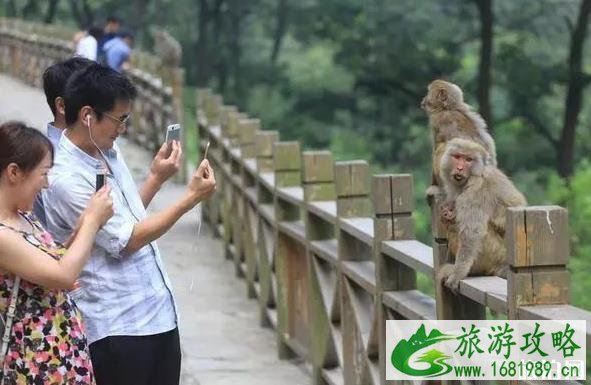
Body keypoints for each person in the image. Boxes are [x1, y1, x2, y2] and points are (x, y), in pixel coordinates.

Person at [43, 64, 216, 385]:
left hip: (157, 312)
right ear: (87, 116)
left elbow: (126, 216)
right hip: (117, 326)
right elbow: (126, 240)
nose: (122, 128)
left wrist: (155, 177)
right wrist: (189, 199)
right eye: (119, 119)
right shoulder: (65, 179)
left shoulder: (106, 149)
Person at [0, 121, 114, 385]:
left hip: (60, 354)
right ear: (14, 172)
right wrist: (92, 221)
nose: (48, 183)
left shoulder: (24, 216)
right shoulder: (3, 235)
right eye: (43, 174)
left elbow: (56, 258)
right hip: (33, 364)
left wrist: (88, 219)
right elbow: (63, 275)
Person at [33, 57, 94, 226]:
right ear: (62, 106)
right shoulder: (53, 163)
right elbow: (117, 238)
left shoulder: (100, 145)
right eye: (95, 100)